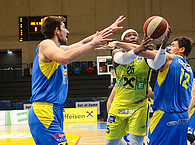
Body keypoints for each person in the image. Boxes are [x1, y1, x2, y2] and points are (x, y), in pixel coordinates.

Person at [28, 15, 125, 145]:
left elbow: (83, 43)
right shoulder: (46, 44)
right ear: (57, 30)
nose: (67, 31)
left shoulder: (59, 49)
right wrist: (93, 43)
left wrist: (108, 30)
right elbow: (65, 58)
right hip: (44, 112)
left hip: (54, 110)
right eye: (64, 28)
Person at [104, 29, 157, 145]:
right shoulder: (116, 52)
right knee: (110, 143)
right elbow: (125, 58)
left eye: (135, 35)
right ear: (124, 41)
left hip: (139, 105)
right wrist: (138, 49)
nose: (133, 37)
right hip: (119, 105)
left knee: (136, 143)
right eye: (129, 36)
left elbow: (158, 61)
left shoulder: (147, 54)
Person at [147, 35, 194, 145]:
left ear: (181, 50)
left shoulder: (171, 58)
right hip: (183, 117)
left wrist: (119, 45)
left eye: (173, 46)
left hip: (166, 114)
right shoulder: (189, 69)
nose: (169, 48)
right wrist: (153, 94)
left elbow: (142, 51)